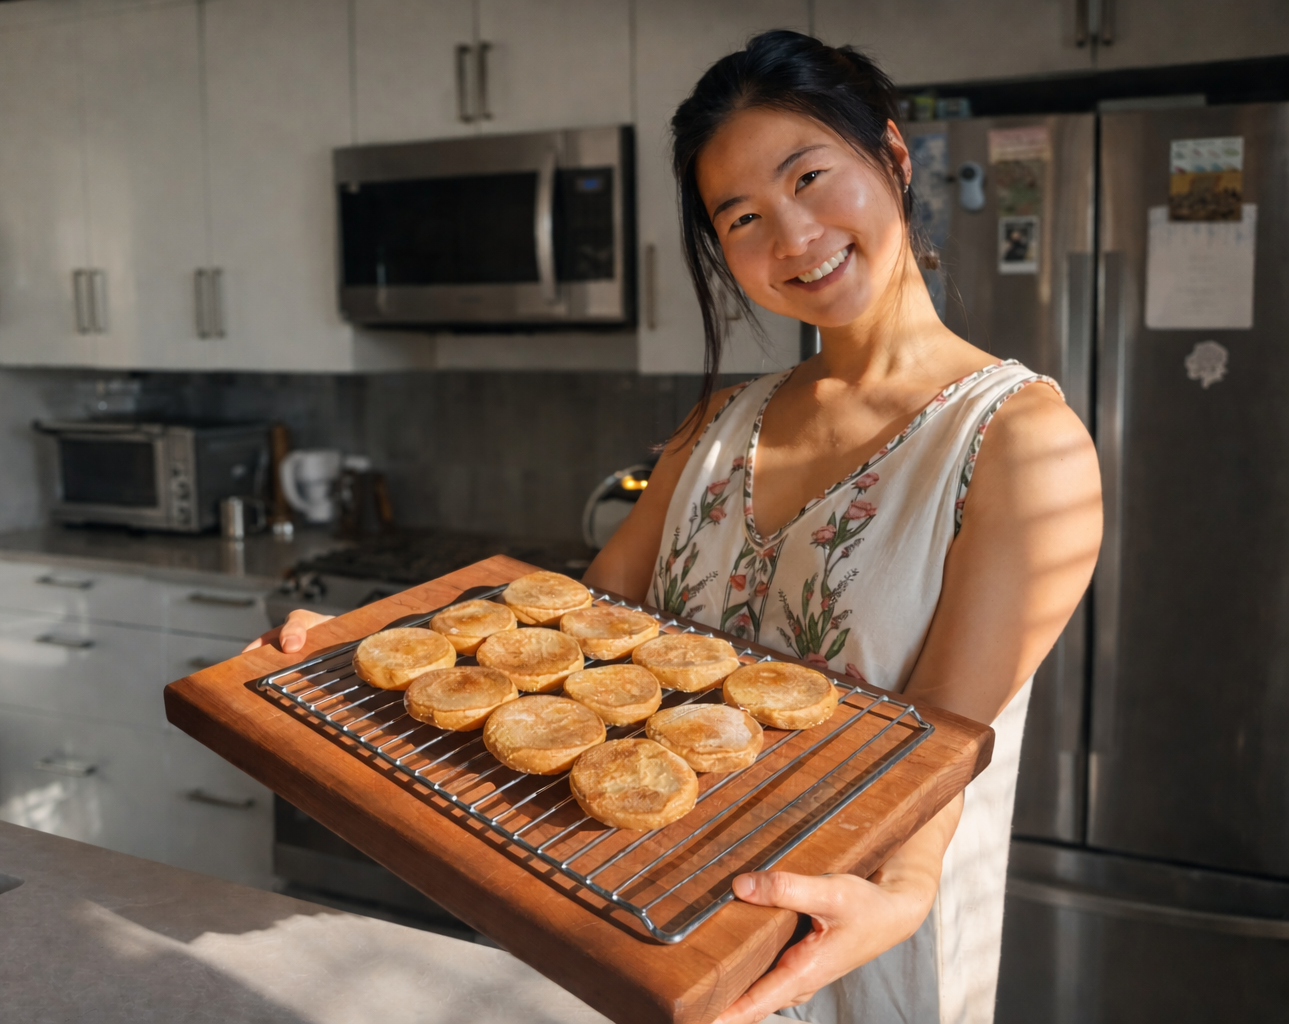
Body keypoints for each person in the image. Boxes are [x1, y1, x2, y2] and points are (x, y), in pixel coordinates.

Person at [262, 29, 1101, 1024]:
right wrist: (365, 650)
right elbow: (571, 636)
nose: (791, 235)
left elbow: (942, 739)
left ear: (893, 156)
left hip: (838, 931)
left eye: (811, 176)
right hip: (640, 915)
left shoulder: (1014, 440)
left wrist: (907, 885)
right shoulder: (717, 428)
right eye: (743, 215)